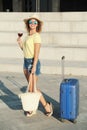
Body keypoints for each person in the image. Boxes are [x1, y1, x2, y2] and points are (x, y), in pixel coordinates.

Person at [17, 14, 53, 117]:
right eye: (30, 22)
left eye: (35, 22)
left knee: (33, 88)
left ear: (37, 25)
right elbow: (25, 50)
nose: (32, 24)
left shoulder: (37, 36)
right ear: (28, 24)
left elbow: (37, 53)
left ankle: (46, 106)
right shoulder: (28, 36)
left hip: (33, 62)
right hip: (25, 62)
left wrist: (34, 65)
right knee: (32, 88)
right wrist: (20, 43)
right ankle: (33, 108)